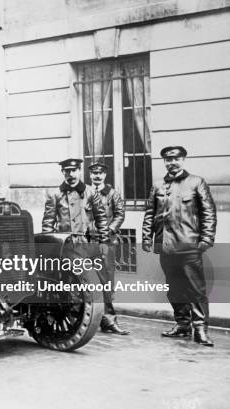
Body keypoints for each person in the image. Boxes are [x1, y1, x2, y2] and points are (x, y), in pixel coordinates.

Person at [142, 146, 217, 346]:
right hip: (166, 247)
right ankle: (182, 325)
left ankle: (200, 328)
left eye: (176, 158)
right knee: (174, 289)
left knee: (195, 289)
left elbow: (208, 212)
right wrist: (147, 238)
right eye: (168, 159)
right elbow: (150, 213)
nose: (172, 162)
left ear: (183, 159)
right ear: (164, 162)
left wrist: (206, 239)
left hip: (189, 246)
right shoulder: (158, 185)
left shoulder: (196, 182)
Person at [42, 159, 114, 327]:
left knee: (103, 283)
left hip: (89, 246)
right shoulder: (55, 195)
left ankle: (109, 320)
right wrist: (50, 249)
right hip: (67, 248)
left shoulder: (90, 193)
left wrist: (103, 241)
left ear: (80, 171)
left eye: (74, 170)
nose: (71, 174)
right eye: (67, 171)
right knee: (70, 286)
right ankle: (77, 322)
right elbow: (47, 224)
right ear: (63, 173)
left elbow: (101, 219)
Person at [87, 162, 129, 335]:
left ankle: (109, 321)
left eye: (101, 173)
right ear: (90, 175)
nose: (97, 176)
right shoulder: (86, 193)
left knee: (106, 282)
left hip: (106, 242)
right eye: (94, 173)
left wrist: (108, 231)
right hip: (87, 242)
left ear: (105, 175)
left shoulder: (112, 194)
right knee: (87, 281)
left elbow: (120, 215)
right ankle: (89, 320)